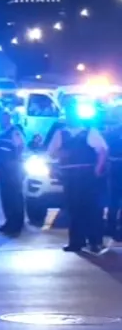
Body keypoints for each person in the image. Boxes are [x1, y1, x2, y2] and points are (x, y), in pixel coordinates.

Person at [49, 108, 108, 253]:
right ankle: (76, 242)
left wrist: (98, 168)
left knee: (92, 209)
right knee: (74, 210)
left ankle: (95, 242)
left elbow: (103, 150)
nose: (71, 118)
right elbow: (51, 152)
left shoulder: (90, 132)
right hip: (70, 177)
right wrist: (60, 156)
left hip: (87, 176)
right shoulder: (61, 134)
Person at [0, 109, 27, 234]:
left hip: (12, 168)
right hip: (3, 167)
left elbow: (21, 146)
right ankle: (9, 222)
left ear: (9, 119)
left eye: (5, 118)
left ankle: (17, 223)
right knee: (6, 196)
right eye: (1, 118)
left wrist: (15, 161)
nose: (3, 120)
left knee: (14, 196)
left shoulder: (14, 131)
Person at [106, 110, 122, 238]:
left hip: (114, 168)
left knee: (114, 200)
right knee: (114, 200)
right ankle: (112, 227)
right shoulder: (112, 133)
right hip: (115, 169)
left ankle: (113, 228)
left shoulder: (111, 133)